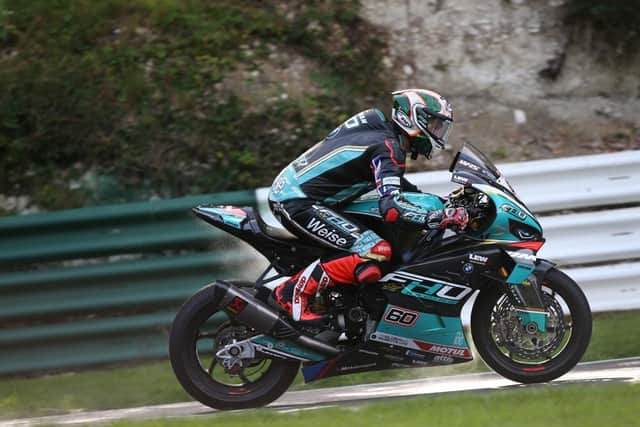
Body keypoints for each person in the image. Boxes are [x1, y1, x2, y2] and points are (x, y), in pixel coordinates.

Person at [268, 88, 468, 323]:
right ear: (413, 118)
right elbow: (392, 208)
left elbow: (398, 187)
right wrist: (438, 218)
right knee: (375, 250)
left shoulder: (382, 136)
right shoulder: (388, 148)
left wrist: (441, 204)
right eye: (435, 125)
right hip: (297, 201)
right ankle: (290, 292)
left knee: (374, 255)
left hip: (310, 197)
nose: (438, 133)